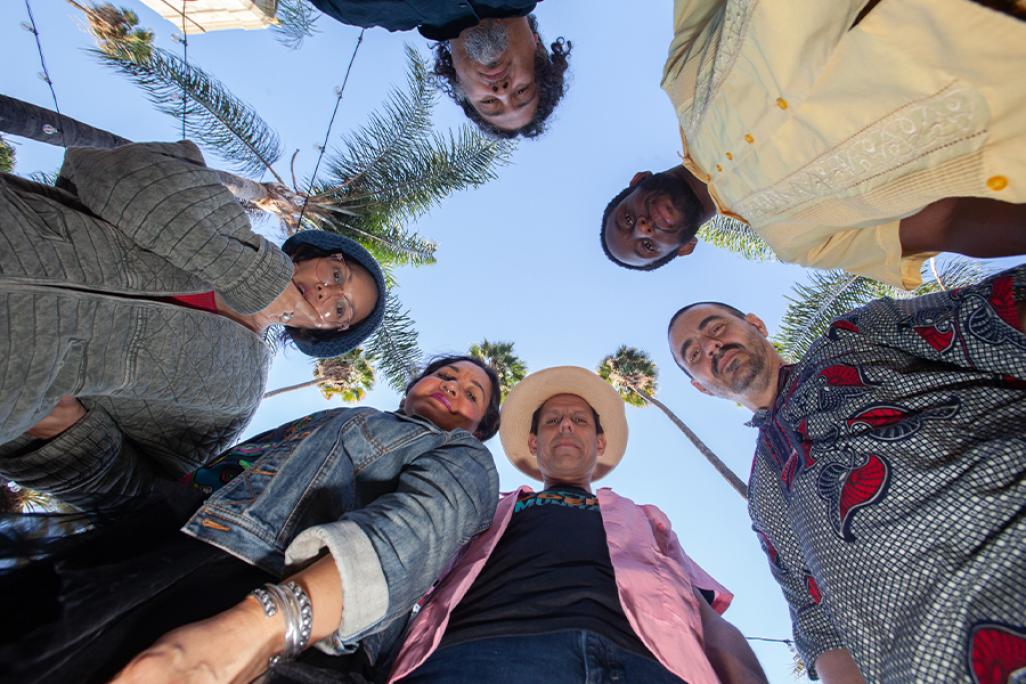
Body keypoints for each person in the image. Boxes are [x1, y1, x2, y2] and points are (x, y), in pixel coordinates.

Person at [0, 355, 502, 684]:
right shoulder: (341, 419)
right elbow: (193, 490)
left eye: (472, 394)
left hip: (271, 608)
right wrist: (70, 438)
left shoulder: (462, 456)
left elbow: (421, 524)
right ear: (413, 384)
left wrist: (262, 627)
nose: (453, 388)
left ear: (480, 427)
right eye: (446, 376)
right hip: (153, 559)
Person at [666, 265, 1026, 682]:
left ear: (755, 324)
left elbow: (992, 319)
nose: (710, 346)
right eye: (694, 354)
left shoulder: (855, 336)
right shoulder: (763, 498)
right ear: (701, 387)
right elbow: (818, 625)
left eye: (716, 328)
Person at [0, 140, 386, 510]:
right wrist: (253, 274)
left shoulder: (239, 393)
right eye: (337, 274)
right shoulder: (219, 221)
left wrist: (68, 436)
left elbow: (144, 497)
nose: (325, 291)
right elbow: (108, 170)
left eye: (340, 310)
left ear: (319, 333)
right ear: (312, 254)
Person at [602, 0, 1026, 289]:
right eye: (647, 246)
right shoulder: (799, 242)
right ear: (685, 248)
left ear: (637, 181)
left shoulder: (680, 79)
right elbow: (945, 225)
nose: (643, 228)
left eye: (626, 219)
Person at [384, 366, 768, 683]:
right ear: (534, 443)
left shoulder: (648, 521)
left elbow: (705, 618)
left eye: (579, 420)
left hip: (647, 667)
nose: (566, 426)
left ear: (599, 442)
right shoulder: (485, 507)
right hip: (476, 659)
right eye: (553, 420)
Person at [306, 0, 571, 138]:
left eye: (489, 102)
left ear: (458, 79)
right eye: (522, 91)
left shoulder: (355, 8)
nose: (501, 91)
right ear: (539, 50)